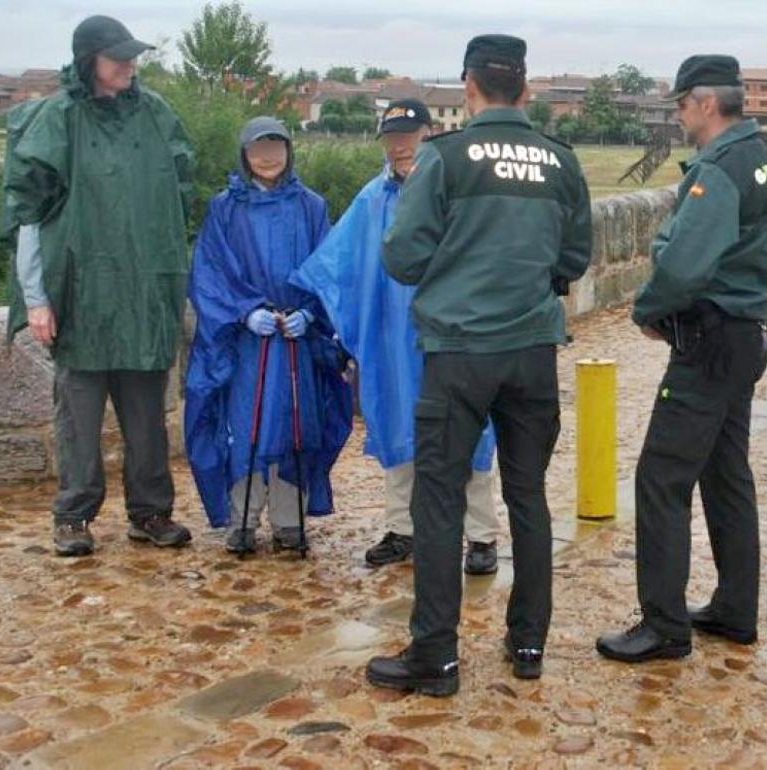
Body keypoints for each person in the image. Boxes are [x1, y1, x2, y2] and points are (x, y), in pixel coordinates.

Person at [364, 34, 592, 695]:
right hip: (530, 354)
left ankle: (434, 658)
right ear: (524, 89)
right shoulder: (558, 160)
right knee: (529, 497)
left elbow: (401, 257)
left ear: (468, 87)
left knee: (438, 504)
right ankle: (527, 644)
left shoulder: (446, 157)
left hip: (458, 354)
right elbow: (574, 258)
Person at [595, 54, 767, 663]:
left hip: (710, 343)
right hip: (747, 333)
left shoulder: (722, 169)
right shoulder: (764, 163)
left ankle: (664, 626)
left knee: (661, 477)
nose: (678, 115)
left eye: (681, 104)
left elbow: (684, 262)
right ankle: (735, 609)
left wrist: (648, 310)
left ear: (706, 103)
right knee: (727, 475)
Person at [4, 15, 195, 557]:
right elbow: (30, 217)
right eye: (119, 58)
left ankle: (151, 512)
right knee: (79, 421)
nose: (130, 66)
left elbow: (176, 203)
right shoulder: (56, 119)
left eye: (132, 57)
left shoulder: (156, 115)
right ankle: (73, 517)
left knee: (146, 419)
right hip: (81, 297)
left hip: (142, 296)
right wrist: (37, 298)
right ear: (90, 60)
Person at [290, 100, 502, 573]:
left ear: (431, 135)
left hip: (453, 334)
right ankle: (402, 528)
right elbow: (338, 263)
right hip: (390, 336)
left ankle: (481, 535)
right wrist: (322, 317)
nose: (402, 146)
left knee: (468, 428)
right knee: (396, 425)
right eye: (392, 138)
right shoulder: (371, 199)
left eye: (410, 135)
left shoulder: (459, 191)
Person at [184, 117, 351, 554]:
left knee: (296, 426)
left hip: (296, 342)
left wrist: (311, 315)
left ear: (289, 151)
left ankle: (289, 519)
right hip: (246, 344)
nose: (268, 157)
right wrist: (243, 312)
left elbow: (328, 266)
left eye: (276, 147)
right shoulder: (225, 208)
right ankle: (242, 517)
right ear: (244, 153)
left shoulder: (311, 206)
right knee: (244, 427)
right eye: (259, 148)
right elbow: (209, 271)